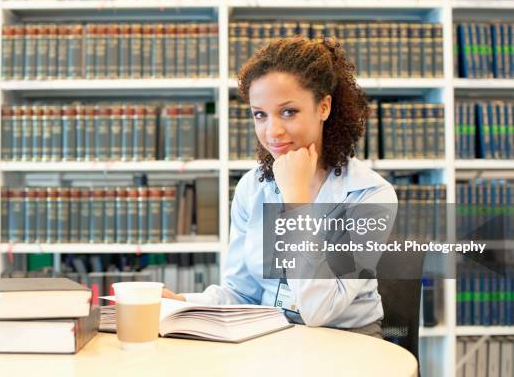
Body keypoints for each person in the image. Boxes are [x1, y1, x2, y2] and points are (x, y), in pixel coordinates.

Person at [163, 36, 397, 338]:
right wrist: (183, 304)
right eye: (260, 114)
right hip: (272, 338)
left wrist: (297, 202)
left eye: (288, 112)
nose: (272, 131)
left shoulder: (370, 194)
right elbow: (242, 294)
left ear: (324, 106)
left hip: (348, 342)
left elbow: (319, 310)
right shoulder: (252, 188)